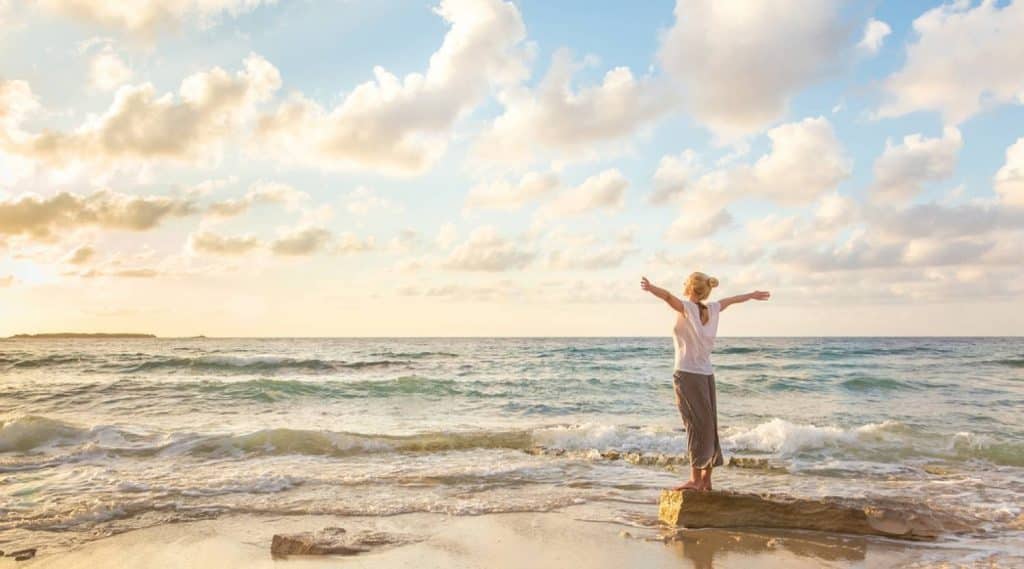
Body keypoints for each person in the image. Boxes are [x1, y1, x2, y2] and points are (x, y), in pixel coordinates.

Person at [640, 273, 770, 491]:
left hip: (687, 374)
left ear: (691, 288)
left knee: (694, 425)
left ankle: (695, 479)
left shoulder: (687, 308)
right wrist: (752, 295)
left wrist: (651, 287)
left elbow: (667, 296)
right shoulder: (713, 309)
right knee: (709, 426)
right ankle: (706, 480)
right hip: (706, 375)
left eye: (685, 282)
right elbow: (733, 299)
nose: (683, 285)